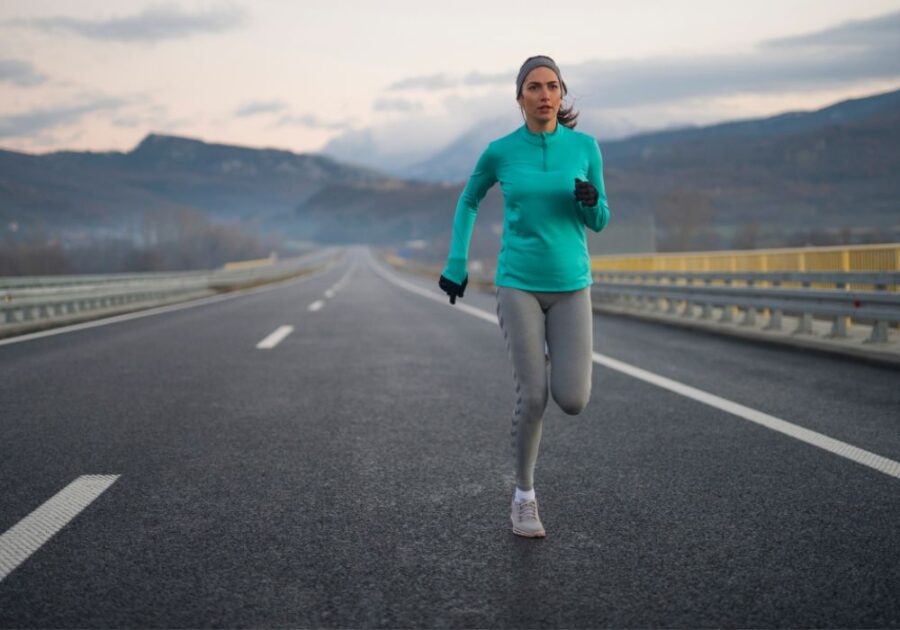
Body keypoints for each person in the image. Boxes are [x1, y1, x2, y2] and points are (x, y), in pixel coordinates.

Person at [438, 55, 611, 538]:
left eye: (552, 86)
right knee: (533, 397)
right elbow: (469, 199)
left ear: (562, 94)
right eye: (533, 87)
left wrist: (593, 204)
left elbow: (600, 221)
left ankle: (551, 352)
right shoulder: (500, 152)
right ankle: (524, 497)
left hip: (572, 286)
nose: (544, 95)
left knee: (572, 399)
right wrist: (456, 262)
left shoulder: (585, 147)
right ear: (520, 98)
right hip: (518, 283)